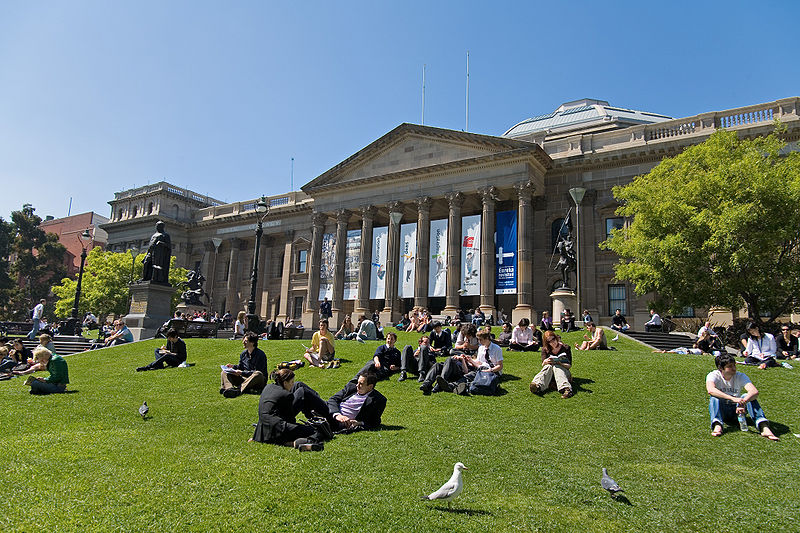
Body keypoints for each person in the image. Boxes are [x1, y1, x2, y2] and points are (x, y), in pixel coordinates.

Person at [706, 353, 779, 441]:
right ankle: (717, 425)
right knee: (714, 397)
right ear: (721, 368)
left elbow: (754, 392)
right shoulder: (713, 375)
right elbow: (711, 390)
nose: (734, 368)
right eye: (730, 366)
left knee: (747, 396)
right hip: (723, 409)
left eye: (734, 365)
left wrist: (743, 402)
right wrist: (733, 398)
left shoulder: (740, 376)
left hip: (738, 410)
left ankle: (763, 426)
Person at [250, 368, 324, 451]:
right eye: (291, 382)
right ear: (285, 383)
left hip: (262, 427)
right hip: (279, 428)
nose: (293, 385)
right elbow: (290, 419)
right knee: (316, 432)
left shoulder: (268, 387)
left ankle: (277, 441)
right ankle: (295, 443)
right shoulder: (286, 395)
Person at [426, 330, 503, 394]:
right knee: (469, 375)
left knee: (471, 375)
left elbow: (500, 366)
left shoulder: (497, 349)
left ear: (487, 338)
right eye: (478, 340)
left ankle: (450, 386)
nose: (479, 342)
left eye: (480, 340)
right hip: (481, 368)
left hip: (492, 370)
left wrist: (490, 370)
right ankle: (450, 386)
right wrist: (469, 360)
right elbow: (479, 362)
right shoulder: (481, 348)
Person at [220, 332, 267, 398]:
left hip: (257, 380)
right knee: (224, 372)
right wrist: (233, 367)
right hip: (245, 379)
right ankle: (229, 389)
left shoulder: (260, 355)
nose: (243, 342)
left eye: (245, 341)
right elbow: (241, 366)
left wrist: (242, 372)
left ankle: (238, 390)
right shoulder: (244, 354)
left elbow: (258, 371)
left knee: (258, 374)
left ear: (252, 343)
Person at [530, 330, 573, 398]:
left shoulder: (565, 348)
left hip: (563, 372)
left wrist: (560, 363)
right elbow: (543, 364)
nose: (552, 342)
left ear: (556, 338)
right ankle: (537, 386)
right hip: (550, 374)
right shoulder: (545, 349)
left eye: (553, 339)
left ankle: (566, 389)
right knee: (548, 366)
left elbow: (569, 366)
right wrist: (546, 361)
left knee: (556, 366)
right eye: (549, 341)